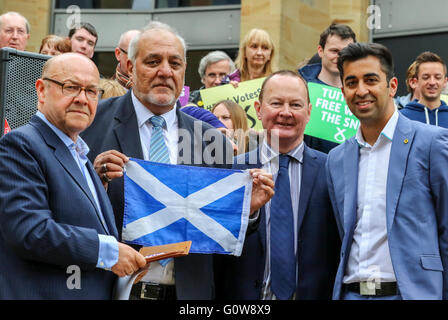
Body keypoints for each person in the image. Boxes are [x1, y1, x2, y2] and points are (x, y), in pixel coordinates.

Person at [81, 22, 274, 300]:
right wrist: (96, 182)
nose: (165, 71)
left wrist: (246, 209)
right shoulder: (92, 124)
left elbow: (223, 239)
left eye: (174, 63)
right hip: (113, 289)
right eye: (153, 61)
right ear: (131, 68)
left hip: (188, 294)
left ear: (183, 71)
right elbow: (68, 211)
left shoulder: (212, 141)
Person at [0, 53, 146, 299]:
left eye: (91, 91)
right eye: (71, 87)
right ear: (41, 90)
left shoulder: (82, 156)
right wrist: (109, 252)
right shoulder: (20, 145)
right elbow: (30, 231)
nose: (82, 99)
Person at [327, 42, 448, 300]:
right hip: (352, 294)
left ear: (392, 86)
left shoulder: (432, 143)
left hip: (412, 294)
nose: (361, 91)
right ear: (343, 91)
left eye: (370, 80)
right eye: (351, 83)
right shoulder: (336, 159)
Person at [215, 70, 340, 300]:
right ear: (259, 109)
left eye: (295, 104)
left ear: (309, 112)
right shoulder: (231, 171)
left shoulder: (332, 170)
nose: (286, 112)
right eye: (276, 103)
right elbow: (214, 245)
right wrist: (248, 213)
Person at [299, 23, 356, 154]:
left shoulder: (360, 92)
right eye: (334, 51)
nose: (340, 57)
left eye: (345, 52)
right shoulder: (300, 87)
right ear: (320, 50)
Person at [400, 51, 448, 129]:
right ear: (415, 82)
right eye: (426, 77)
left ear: (445, 82)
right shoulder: (401, 118)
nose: (432, 82)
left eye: (437, 77)